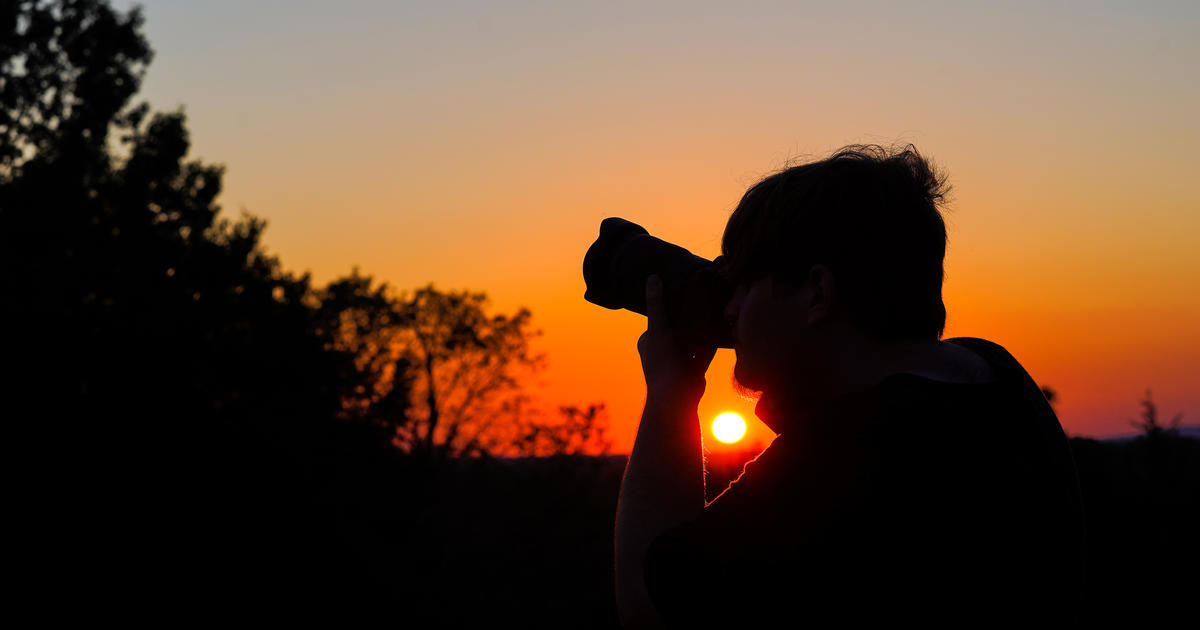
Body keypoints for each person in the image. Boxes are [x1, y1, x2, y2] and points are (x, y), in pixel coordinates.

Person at [613, 145, 1086, 627]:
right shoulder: (992, 373)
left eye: (744, 283)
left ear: (818, 292)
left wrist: (671, 396)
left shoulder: (850, 453)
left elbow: (650, 607)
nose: (729, 310)